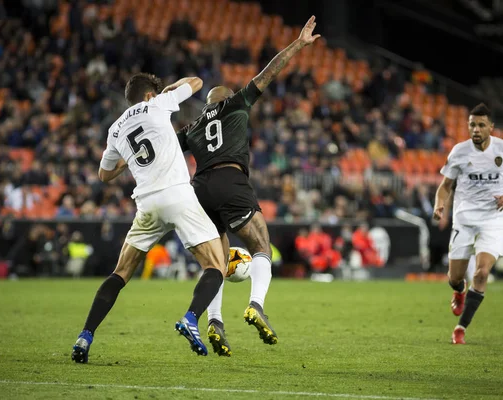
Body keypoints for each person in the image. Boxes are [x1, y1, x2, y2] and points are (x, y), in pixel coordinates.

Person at [175, 16, 321, 356]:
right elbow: (270, 72)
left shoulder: (193, 128)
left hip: (199, 189)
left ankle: (215, 322)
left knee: (216, 260)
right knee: (261, 246)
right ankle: (256, 304)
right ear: (226, 98)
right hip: (230, 179)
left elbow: (163, 147)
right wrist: (298, 44)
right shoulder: (237, 103)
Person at [71, 73, 227, 362]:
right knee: (216, 265)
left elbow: (103, 175)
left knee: (120, 273)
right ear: (148, 95)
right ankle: (191, 319)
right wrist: (168, 90)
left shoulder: (115, 129)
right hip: (178, 196)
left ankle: (85, 336)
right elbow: (196, 82)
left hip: (147, 203)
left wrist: (125, 162)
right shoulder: (158, 104)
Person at [433, 103, 503, 344]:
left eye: (481, 125)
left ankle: (460, 328)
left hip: (493, 219)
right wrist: (439, 204)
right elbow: (446, 185)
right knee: (454, 276)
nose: (476, 129)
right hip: (464, 220)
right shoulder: (459, 152)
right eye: (472, 125)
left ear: (491, 127)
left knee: (482, 271)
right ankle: (458, 290)